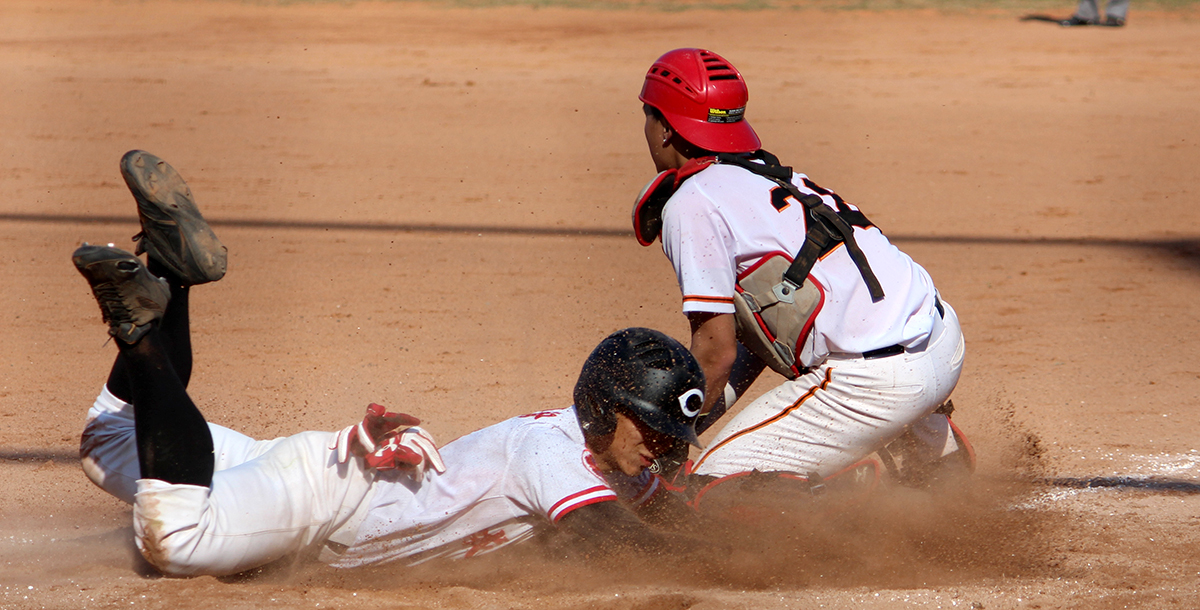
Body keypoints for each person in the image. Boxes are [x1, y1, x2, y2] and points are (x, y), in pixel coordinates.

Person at [76, 151, 707, 576]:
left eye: (668, 435)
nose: (659, 446)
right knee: (174, 540)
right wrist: (732, 564)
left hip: (332, 476)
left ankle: (171, 276)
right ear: (603, 406)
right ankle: (139, 335)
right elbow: (612, 540)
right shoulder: (551, 452)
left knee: (106, 440)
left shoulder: (613, 463)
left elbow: (674, 509)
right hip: (322, 502)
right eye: (649, 428)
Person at [630, 49, 974, 501]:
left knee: (711, 494)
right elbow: (753, 340)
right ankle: (928, 442)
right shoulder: (761, 172)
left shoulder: (692, 203)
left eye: (648, 116)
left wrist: (666, 445)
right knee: (801, 334)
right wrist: (688, 423)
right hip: (940, 341)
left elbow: (716, 353)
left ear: (667, 127)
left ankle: (851, 488)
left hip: (874, 383)